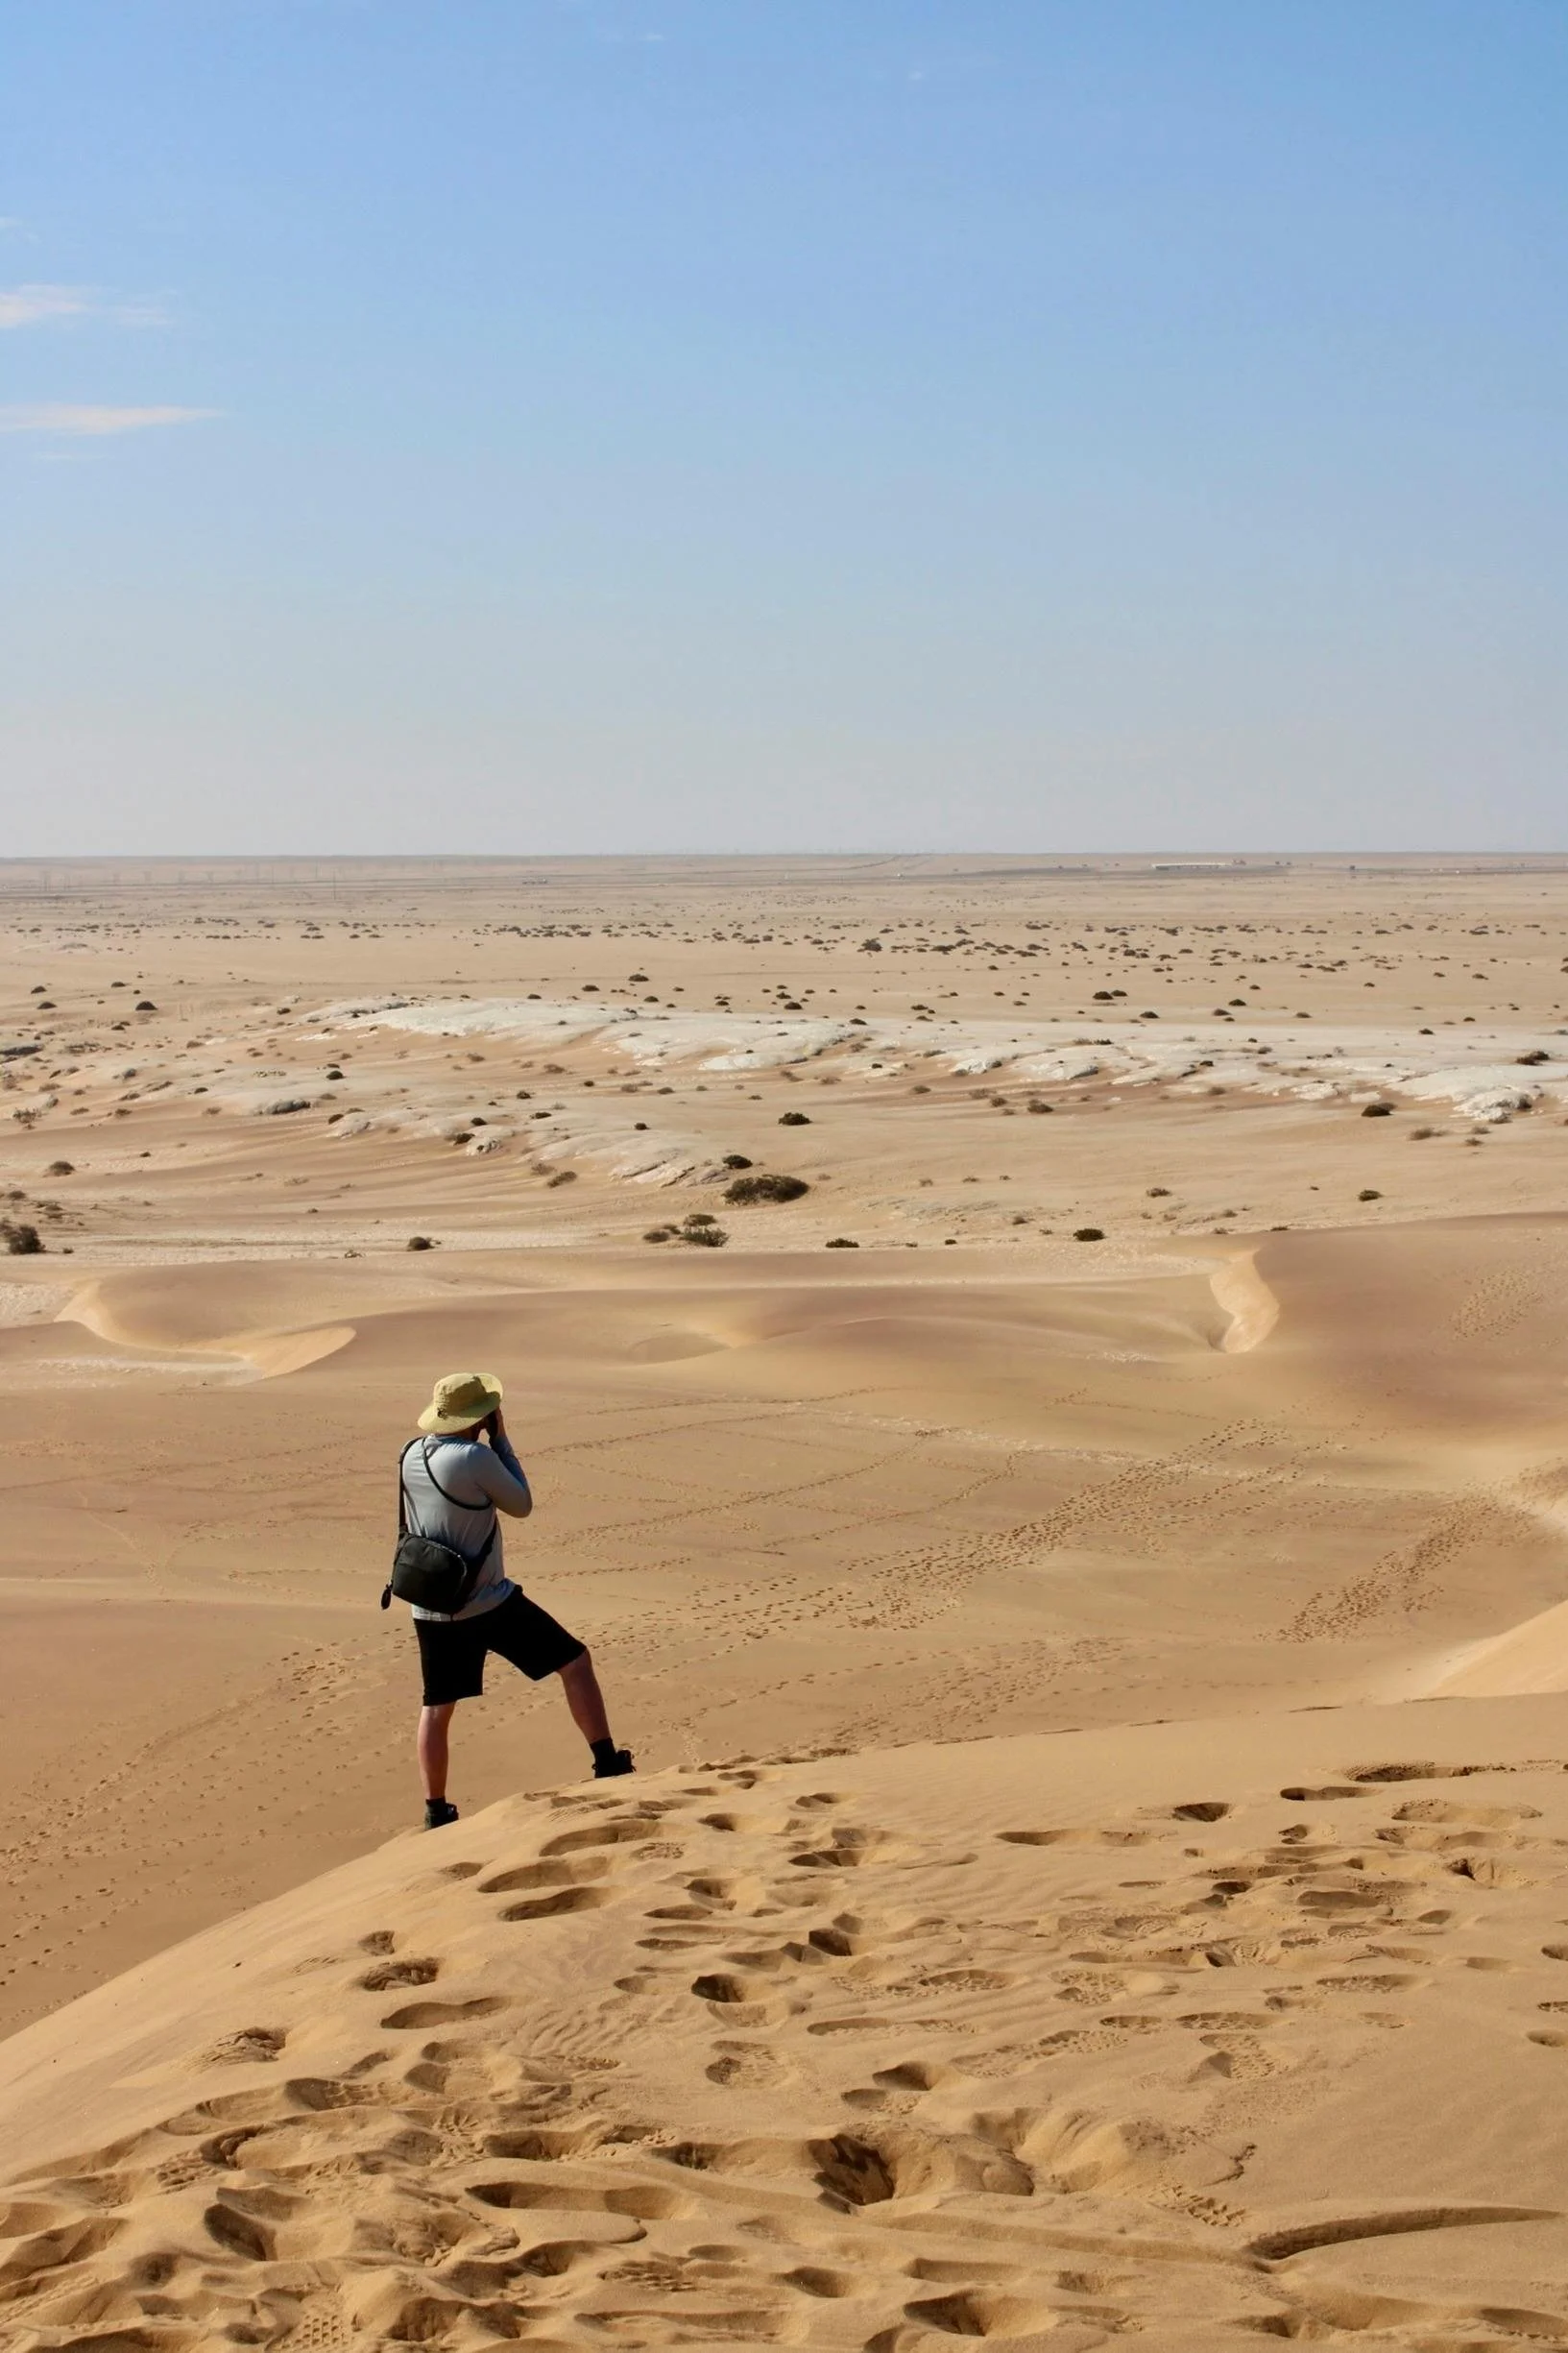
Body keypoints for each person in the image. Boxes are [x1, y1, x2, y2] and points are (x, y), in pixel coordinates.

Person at [400, 1370, 632, 1827]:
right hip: (485, 1602)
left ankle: (435, 1810)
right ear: (480, 1416)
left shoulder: (409, 1453)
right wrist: (501, 1443)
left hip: (431, 1605)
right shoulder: (474, 1457)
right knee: (574, 1661)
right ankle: (607, 1762)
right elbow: (521, 1503)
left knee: (437, 1706)